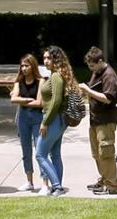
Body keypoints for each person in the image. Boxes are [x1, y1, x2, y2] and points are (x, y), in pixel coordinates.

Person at [79, 47, 117, 194]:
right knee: (97, 153)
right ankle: (103, 180)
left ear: (101, 61)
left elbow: (108, 99)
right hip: (95, 119)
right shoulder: (97, 72)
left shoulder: (110, 75)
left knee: (106, 152)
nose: (91, 68)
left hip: (106, 120)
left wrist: (88, 91)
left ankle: (112, 186)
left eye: (92, 65)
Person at [36, 45, 75, 196]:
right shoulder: (55, 74)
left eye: (48, 58)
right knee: (55, 154)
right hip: (58, 119)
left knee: (40, 154)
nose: (45, 61)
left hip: (54, 119)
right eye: (44, 58)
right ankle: (58, 187)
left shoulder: (56, 76)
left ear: (56, 59)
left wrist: (45, 122)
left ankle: (57, 186)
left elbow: (56, 101)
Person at [10, 52, 44, 192]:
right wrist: (26, 100)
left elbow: (39, 102)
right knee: (26, 150)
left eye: (27, 65)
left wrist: (21, 100)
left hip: (36, 118)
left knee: (40, 150)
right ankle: (29, 181)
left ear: (33, 66)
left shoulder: (40, 81)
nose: (24, 68)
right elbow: (13, 99)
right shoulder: (19, 81)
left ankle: (45, 182)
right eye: (22, 66)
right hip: (23, 117)